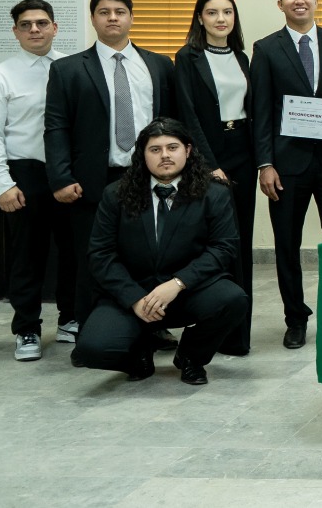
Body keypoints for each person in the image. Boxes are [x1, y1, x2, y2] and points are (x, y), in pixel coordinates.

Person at [72, 119, 248, 385]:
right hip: (133, 293)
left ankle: (191, 357)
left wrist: (178, 283)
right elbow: (101, 255)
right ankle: (138, 353)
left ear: (187, 151)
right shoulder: (116, 194)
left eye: (172, 147)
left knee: (233, 300)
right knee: (92, 351)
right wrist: (135, 299)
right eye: (155, 149)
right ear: (143, 155)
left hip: (187, 291)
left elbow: (223, 248)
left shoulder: (214, 193)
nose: (165, 155)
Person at [45, 0, 176, 332]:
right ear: (93, 20)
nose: (113, 18)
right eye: (104, 12)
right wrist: (60, 177)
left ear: (131, 17)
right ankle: (92, 327)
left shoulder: (159, 65)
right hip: (92, 179)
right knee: (94, 257)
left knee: (149, 252)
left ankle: (153, 323)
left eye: (120, 11)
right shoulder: (68, 69)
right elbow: (56, 126)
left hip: (148, 176)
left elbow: (173, 124)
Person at [248, 0, 322, 350]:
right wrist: (264, 163)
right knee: (287, 246)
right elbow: (260, 110)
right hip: (285, 166)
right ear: (280, 3)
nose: (299, 0)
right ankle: (295, 318)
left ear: (315, 0)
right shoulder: (266, 48)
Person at [0, 0, 73, 361]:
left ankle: (71, 319)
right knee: (27, 256)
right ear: (15, 31)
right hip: (25, 174)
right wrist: (2, 184)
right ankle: (27, 330)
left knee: (73, 253)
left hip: (64, 174)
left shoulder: (69, 67)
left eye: (42, 23)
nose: (35, 29)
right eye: (26, 24)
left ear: (55, 27)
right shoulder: (0, 76)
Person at [172, 0, 256, 356]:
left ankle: (238, 337)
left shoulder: (242, 56)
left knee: (242, 240)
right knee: (216, 243)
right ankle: (211, 329)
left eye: (227, 12)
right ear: (200, 18)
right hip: (209, 153)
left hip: (244, 152)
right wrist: (209, 165)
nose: (221, 19)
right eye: (212, 12)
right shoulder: (187, 58)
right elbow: (187, 115)